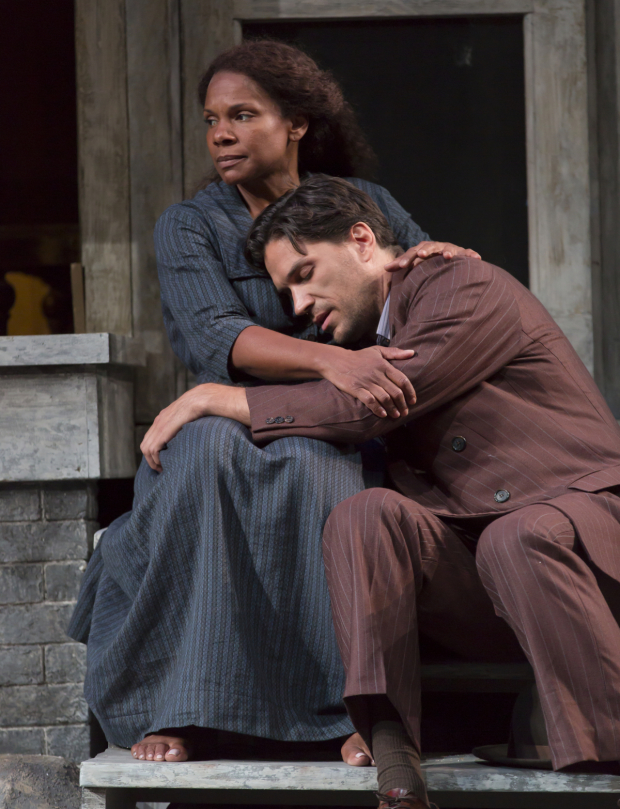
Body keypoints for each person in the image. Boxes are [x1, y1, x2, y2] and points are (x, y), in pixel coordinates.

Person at [150, 174, 620, 808]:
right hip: (491, 571)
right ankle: (397, 770)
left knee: (518, 534)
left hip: (583, 545)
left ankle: (605, 768)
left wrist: (216, 395)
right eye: (285, 289)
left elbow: (369, 408)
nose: (296, 306)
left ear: (362, 240)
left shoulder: (463, 287)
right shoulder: (376, 340)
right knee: (363, 516)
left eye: (303, 273)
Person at [68, 40, 479, 764]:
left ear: (295, 122)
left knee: (323, 477)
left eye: (242, 115)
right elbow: (212, 334)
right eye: (211, 119)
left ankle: (355, 710)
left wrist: (439, 260)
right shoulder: (190, 225)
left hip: (338, 421)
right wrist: (335, 360)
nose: (220, 133)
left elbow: (416, 276)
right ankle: (178, 707)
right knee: (201, 464)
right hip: (224, 404)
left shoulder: (365, 204)